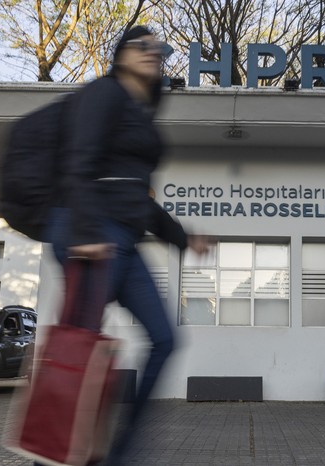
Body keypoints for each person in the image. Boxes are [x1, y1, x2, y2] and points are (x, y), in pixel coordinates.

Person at [43, 25, 209, 465]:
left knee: (165, 339)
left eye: (162, 48)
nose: (155, 51)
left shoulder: (139, 114)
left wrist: (182, 237)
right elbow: (76, 163)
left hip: (124, 239)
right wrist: (84, 232)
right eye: (144, 44)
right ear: (121, 54)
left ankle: (120, 455)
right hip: (92, 231)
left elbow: (136, 197)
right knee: (74, 354)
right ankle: (49, 453)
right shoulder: (104, 93)